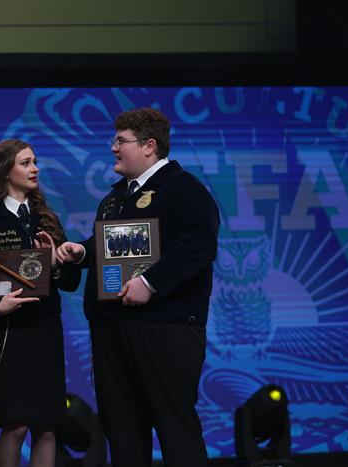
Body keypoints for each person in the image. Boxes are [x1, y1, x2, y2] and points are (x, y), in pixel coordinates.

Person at [57, 108, 220, 467]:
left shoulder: (184, 189)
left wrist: (151, 283)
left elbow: (198, 246)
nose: (113, 148)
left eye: (121, 141)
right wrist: (82, 252)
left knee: (175, 428)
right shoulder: (115, 197)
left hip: (165, 328)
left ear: (149, 146)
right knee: (123, 431)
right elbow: (115, 247)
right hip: (113, 329)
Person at [0, 139, 80, 467]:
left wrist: (54, 263)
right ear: (5, 170)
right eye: (26, 163)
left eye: (35, 162)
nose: (35, 169)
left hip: (45, 328)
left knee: (47, 427)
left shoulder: (46, 218)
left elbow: (70, 281)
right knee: (16, 425)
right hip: (9, 332)